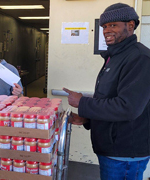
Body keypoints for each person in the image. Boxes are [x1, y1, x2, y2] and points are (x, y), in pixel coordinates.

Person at [63, 3, 150, 180]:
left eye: (113, 25)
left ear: (131, 25)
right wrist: (88, 119)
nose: (106, 30)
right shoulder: (115, 56)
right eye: (104, 26)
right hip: (112, 148)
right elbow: (109, 98)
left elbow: (128, 107)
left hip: (124, 154)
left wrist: (83, 103)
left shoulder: (140, 58)